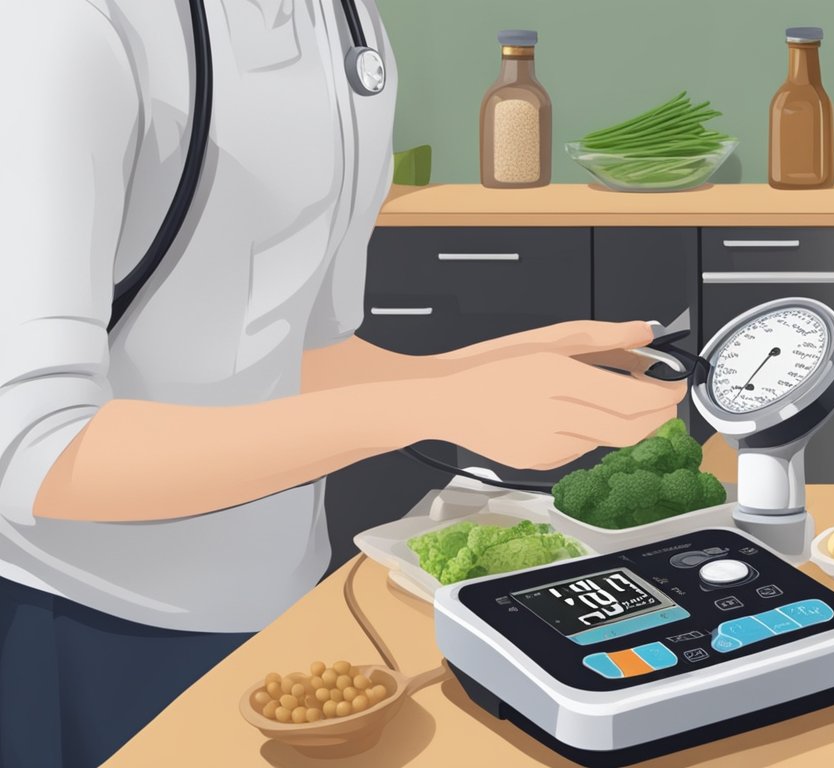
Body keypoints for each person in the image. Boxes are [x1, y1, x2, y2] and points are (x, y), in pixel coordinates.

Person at [0, 3, 683, 765]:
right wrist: (441, 404)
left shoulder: (346, 24)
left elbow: (306, 360)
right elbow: (36, 453)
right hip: (86, 630)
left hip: (291, 612)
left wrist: (493, 373)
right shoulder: (66, 27)